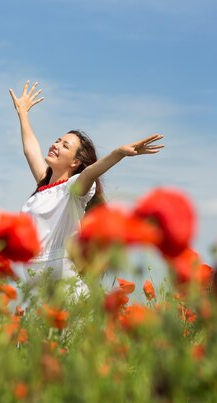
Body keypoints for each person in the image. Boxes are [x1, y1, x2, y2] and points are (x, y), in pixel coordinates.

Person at [9, 80, 164, 282]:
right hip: (33, 276)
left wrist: (119, 153)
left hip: (61, 277)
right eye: (57, 140)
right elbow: (30, 149)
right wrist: (22, 113)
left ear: (75, 161)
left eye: (65, 145)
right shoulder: (44, 186)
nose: (56, 145)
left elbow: (89, 173)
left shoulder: (72, 189)